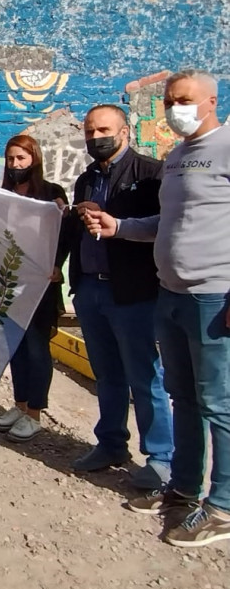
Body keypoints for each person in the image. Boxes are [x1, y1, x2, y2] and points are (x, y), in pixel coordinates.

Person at [85, 70, 230, 548]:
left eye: (183, 100)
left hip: (214, 295)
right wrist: (120, 226)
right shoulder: (176, 159)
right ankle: (184, 490)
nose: (174, 108)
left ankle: (224, 504)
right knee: (184, 397)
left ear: (212, 100)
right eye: (169, 100)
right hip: (171, 293)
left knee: (218, 403)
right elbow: (165, 222)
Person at [67, 104, 173, 490]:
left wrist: (120, 227)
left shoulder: (150, 175)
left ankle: (161, 458)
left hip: (131, 292)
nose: (96, 137)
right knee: (107, 374)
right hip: (91, 289)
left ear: (125, 131)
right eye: (90, 132)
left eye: (104, 130)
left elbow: (164, 228)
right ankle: (111, 443)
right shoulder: (86, 178)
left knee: (145, 377)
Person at [0, 133, 68, 442]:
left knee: (36, 349)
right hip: (11, 285)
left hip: (41, 287)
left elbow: (65, 233)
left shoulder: (51, 194)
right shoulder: (5, 195)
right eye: (10, 159)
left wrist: (57, 266)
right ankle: (19, 405)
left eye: (21, 158)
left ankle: (35, 412)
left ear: (33, 159)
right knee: (16, 348)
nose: (15, 164)